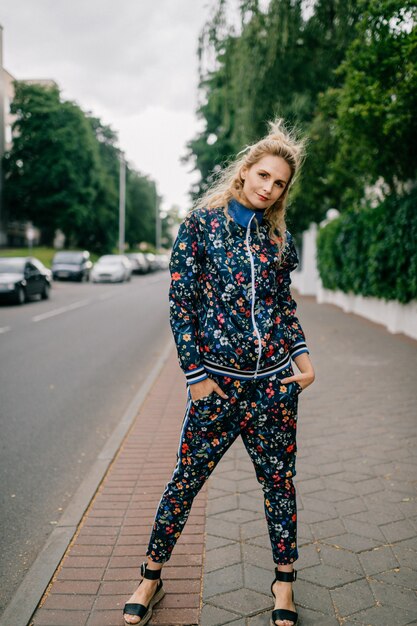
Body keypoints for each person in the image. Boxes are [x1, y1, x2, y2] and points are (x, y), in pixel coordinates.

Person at [123, 118, 315, 626]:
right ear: (244, 171)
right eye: (263, 176)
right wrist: (196, 376)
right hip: (217, 388)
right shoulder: (201, 226)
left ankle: (284, 585)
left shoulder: (277, 240)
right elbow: (180, 305)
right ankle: (150, 576)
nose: (269, 189)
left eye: (279, 184)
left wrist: (302, 356)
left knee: (279, 483)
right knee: (185, 481)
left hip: (275, 386)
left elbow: (283, 306)